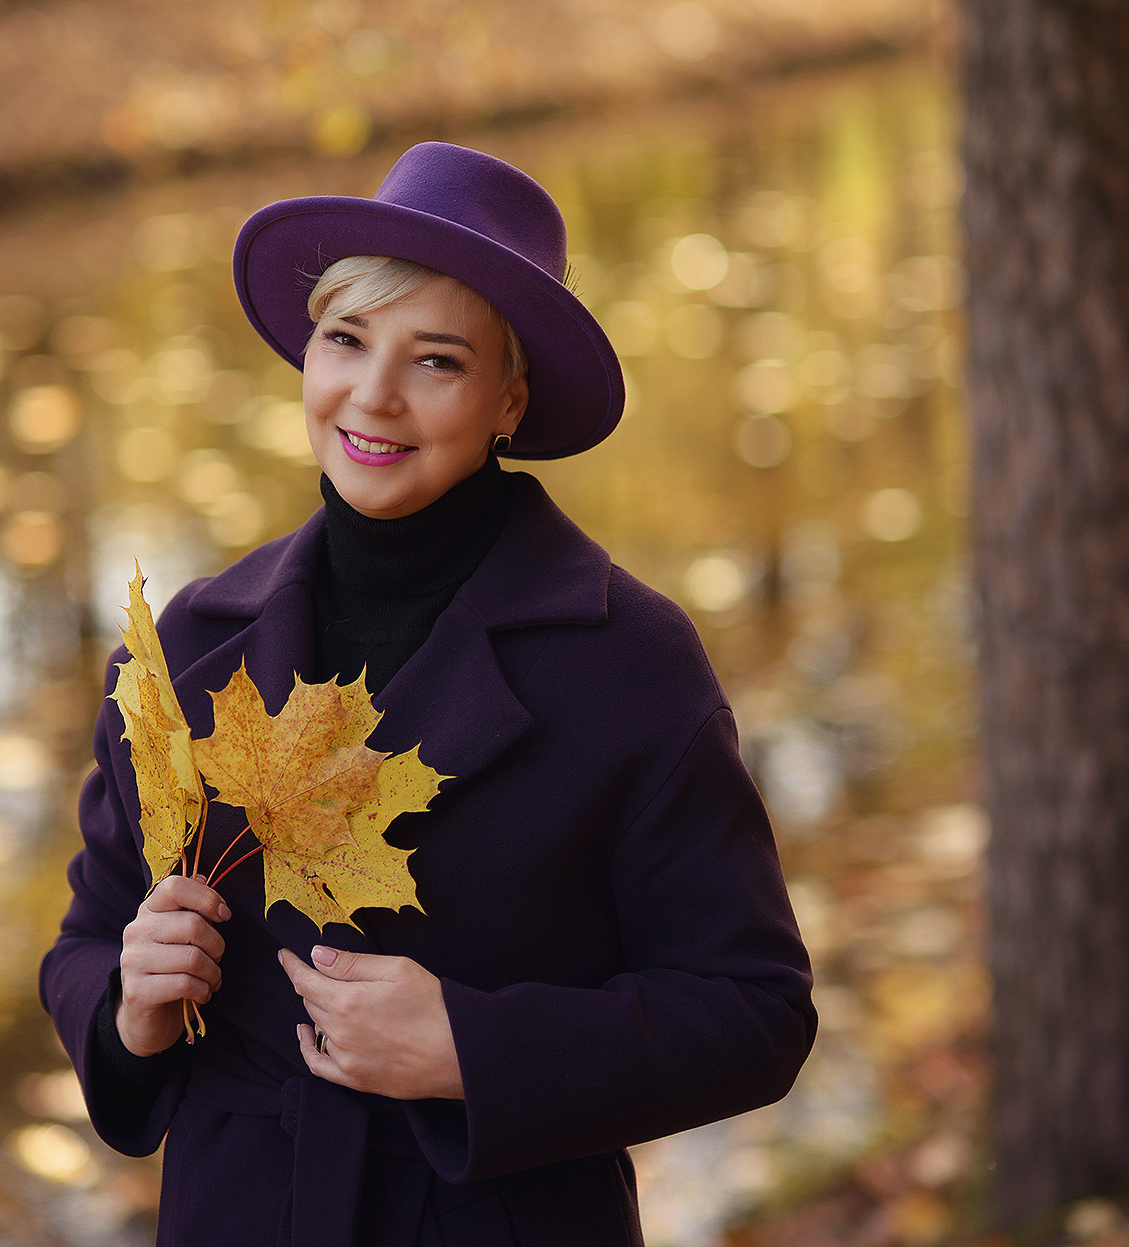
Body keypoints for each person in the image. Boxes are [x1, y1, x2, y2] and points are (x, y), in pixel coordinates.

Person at [40, 141, 816, 1247]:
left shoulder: (628, 660)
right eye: (344, 339)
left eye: (436, 361)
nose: (374, 395)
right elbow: (83, 938)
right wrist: (130, 1010)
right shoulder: (185, 646)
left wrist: (471, 1049)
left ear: (509, 398)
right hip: (236, 1206)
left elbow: (751, 1011)